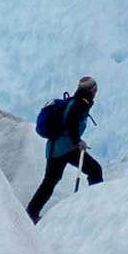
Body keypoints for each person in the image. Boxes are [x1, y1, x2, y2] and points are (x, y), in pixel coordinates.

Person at [26, 77, 104, 220]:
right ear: (92, 90)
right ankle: (98, 204)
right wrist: (78, 141)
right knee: (95, 170)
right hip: (66, 148)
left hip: (56, 148)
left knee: (50, 181)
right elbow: (70, 123)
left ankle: (31, 213)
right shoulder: (80, 103)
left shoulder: (77, 100)